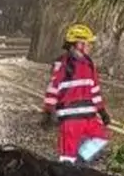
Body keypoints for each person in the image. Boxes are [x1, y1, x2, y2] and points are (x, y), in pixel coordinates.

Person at [39, 23, 111, 164]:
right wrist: (48, 112)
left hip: (88, 116)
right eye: (87, 43)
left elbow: (94, 90)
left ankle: (77, 166)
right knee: (67, 156)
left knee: (101, 138)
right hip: (69, 119)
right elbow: (53, 90)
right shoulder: (62, 64)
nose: (90, 46)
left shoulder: (89, 64)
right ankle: (66, 175)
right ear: (78, 44)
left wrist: (102, 111)